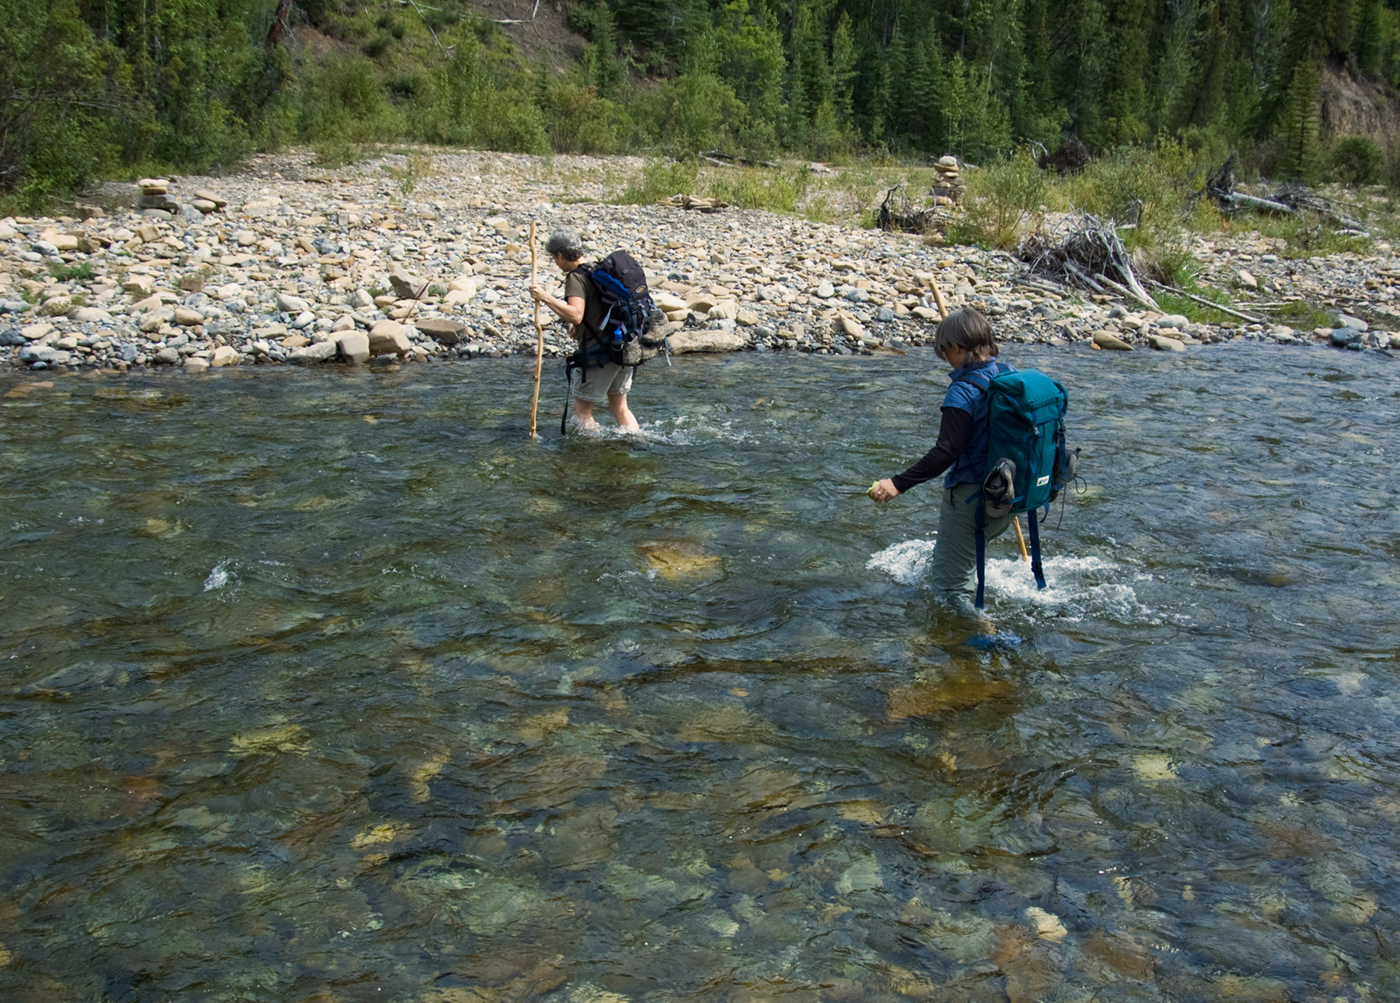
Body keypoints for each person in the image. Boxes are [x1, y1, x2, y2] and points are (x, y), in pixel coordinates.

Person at [870, 308, 1016, 605]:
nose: (944, 356)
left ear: (959, 348)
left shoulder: (962, 392)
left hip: (972, 500)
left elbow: (946, 451)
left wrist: (898, 483)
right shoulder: (1007, 375)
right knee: (962, 567)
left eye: (946, 349)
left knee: (950, 591)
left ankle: (983, 642)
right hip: (1008, 496)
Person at [528, 227, 640, 433]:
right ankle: (637, 443)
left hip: (599, 354)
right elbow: (596, 311)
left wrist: (545, 297)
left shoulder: (575, 278)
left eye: (554, 257)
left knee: (582, 412)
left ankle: (593, 456)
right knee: (620, 407)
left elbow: (576, 314)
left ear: (561, 255)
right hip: (623, 348)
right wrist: (578, 327)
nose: (555, 262)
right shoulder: (596, 271)